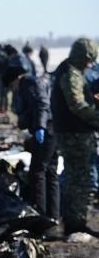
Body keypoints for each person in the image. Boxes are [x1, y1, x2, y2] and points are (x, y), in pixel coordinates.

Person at [3, 57, 58, 232]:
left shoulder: (29, 83)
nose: (13, 90)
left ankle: (41, 216)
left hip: (46, 131)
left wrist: (40, 126)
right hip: (53, 129)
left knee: (38, 172)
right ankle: (53, 215)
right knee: (50, 172)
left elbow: (42, 104)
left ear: (15, 79)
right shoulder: (32, 81)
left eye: (12, 86)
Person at [51, 38, 99, 235]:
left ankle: (73, 220)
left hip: (73, 132)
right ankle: (76, 222)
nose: (90, 65)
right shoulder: (71, 74)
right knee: (81, 179)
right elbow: (77, 105)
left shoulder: (71, 71)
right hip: (75, 134)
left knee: (74, 177)